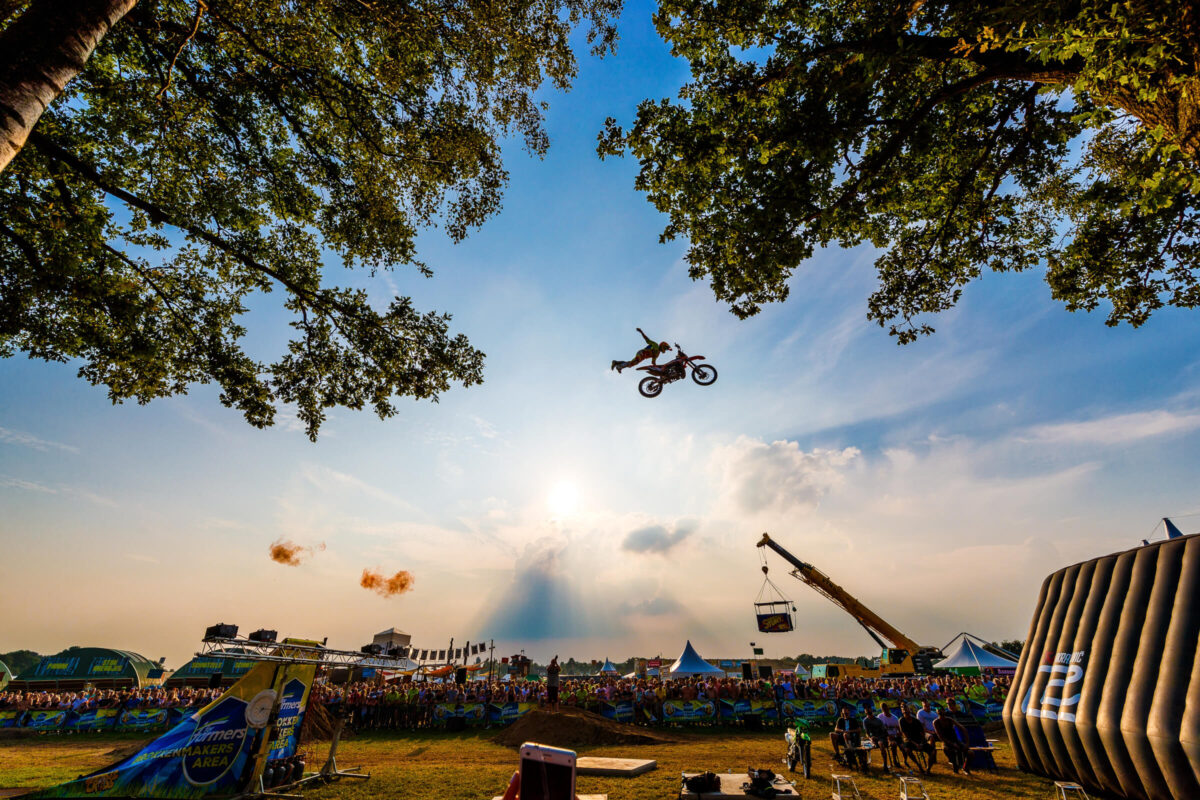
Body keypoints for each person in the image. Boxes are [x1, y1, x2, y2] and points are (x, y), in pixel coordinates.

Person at [933, 706, 971, 774]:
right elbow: (941, 737)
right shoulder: (936, 722)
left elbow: (963, 729)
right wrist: (952, 744)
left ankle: (965, 767)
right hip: (946, 743)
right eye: (938, 710)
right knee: (949, 750)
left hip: (955, 740)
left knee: (971, 753)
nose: (940, 712)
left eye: (942, 710)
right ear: (936, 712)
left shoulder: (949, 719)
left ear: (944, 711)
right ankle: (955, 767)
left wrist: (967, 743)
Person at [898, 704, 936, 773]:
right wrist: (916, 744)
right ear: (902, 712)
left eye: (907, 711)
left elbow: (922, 733)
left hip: (919, 740)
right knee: (907, 749)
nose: (906, 712)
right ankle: (918, 765)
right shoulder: (901, 721)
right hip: (909, 741)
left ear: (910, 711)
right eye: (904, 711)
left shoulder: (916, 721)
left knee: (933, 751)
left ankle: (928, 769)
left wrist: (921, 743)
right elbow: (905, 735)